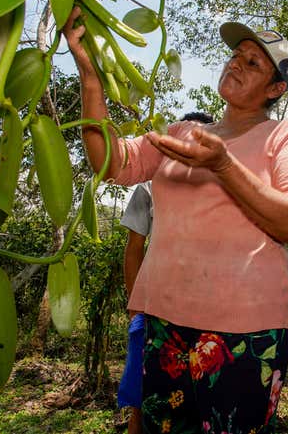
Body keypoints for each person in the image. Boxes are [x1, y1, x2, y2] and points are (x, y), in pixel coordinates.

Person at [64, 9, 288, 433]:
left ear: (276, 88)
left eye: (253, 62)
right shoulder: (182, 132)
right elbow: (109, 162)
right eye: (237, 54)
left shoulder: (287, 136)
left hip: (244, 333)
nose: (236, 62)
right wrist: (90, 74)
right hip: (164, 324)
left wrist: (223, 165)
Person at [117, 113, 213, 434]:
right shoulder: (148, 182)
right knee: (141, 402)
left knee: (199, 402)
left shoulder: (219, 184)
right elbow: (134, 247)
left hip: (206, 314)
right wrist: (135, 307)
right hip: (155, 309)